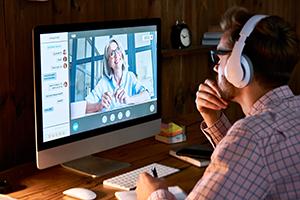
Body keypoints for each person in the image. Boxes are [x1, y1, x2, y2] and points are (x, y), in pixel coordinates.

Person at [136, 6, 300, 200]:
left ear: (239, 67)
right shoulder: (286, 118)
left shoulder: (252, 137)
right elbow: (246, 169)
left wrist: (153, 193)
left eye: (219, 56)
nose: (215, 66)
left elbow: (251, 151)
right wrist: (213, 119)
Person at [85, 39, 150, 113]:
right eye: (112, 53)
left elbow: (146, 95)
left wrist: (129, 99)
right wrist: (98, 106)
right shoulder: (103, 82)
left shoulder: (130, 76)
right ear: (108, 62)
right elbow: (85, 106)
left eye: (118, 50)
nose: (116, 55)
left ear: (122, 54)